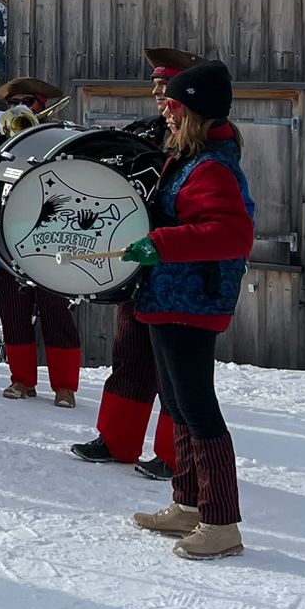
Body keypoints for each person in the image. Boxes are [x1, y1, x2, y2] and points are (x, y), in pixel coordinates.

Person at [127, 60, 256, 559]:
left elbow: (233, 235)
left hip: (193, 298)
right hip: (170, 294)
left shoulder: (212, 167)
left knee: (198, 407)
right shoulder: (190, 157)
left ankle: (221, 521)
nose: (166, 112)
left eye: (175, 105)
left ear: (195, 112)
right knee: (178, 404)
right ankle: (187, 503)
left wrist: (158, 243)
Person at [72, 47, 200, 475]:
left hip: (178, 266)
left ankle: (173, 454)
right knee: (130, 353)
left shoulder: (204, 140)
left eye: (167, 87)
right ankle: (117, 439)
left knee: (172, 367)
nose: (158, 95)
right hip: (138, 261)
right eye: (156, 87)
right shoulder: (146, 130)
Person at [0, 76, 83, 406]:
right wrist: (1, 143)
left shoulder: (58, 138)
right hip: (5, 237)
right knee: (13, 312)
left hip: (49, 236)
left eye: (26, 102)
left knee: (56, 312)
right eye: (12, 104)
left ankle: (65, 386)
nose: (18, 108)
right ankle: (21, 380)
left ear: (42, 106)